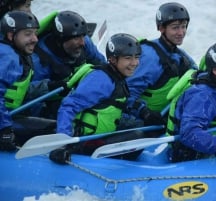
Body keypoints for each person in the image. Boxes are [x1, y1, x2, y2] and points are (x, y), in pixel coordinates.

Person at [49, 33, 144, 164]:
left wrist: (144, 112)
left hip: (101, 135)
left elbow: (116, 105)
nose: (134, 63)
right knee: (137, 136)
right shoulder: (101, 79)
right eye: (128, 58)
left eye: (137, 57)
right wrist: (62, 143)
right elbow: (68, 106)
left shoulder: (118, 76)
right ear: (113, 59)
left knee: (138, 125)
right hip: (85, 141)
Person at [125, 2, 198, 127]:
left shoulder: (179, 54)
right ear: (161, 28)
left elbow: (198, 73)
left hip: (165, 116)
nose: (181, 32)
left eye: (184, 26)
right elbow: (126, 94)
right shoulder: (149, 57)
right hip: (141, 121)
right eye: (175, 27)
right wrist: (144, 112)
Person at [31, 10, 106, 119]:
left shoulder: (85, 42)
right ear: (60, 40)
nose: (82, 43)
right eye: (76, 38)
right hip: (54, 105)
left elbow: (102, 65)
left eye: (83, 36)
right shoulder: (39, 60)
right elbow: (32, 99)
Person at [0, 10, 42, 151]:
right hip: (5, 121)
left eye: (35, 33)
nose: (35, 39)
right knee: (53, 128)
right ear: (11, 35)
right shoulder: (8, 57)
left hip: (8, 116)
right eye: (28, 34)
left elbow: (16, 89)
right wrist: (5, 130)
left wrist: (52, 87)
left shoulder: (15, 53)